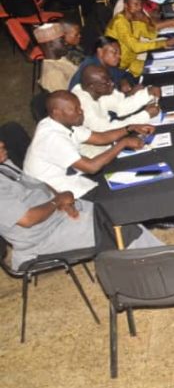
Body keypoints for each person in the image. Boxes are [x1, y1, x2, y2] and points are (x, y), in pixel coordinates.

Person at [0, 140, 162, 272]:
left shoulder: (4, 165)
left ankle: (164, 257)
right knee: (118, 227)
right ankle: (162, 267)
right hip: (42, 240)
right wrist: (57, 202)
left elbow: (39, 184)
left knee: (116, 209)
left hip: (58, 216)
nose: (2, 144)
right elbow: (27, 219)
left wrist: (62, 201)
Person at [24, 92, 149, 198]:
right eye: (75, 109)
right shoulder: (52, 138)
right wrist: (123, 143)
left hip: (73, 179)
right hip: (59, 194)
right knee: (131, 191)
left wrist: (130, 128)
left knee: (133, 172)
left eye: (79, 107)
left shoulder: (61, 122)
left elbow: (101, 138)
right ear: (57, 113)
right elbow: (91, 167)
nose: (81, 111)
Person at [71, 65, 160, 148]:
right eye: (106, 82)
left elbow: (121, 106)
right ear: (92, 86)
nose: (112, 83)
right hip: (91, 149)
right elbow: (106, 133)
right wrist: (144, 116)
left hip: (107, 138)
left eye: (110, 79)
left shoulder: (96, 89)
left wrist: (148, 93)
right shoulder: (82, 105)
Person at [105, 0, 174, 77]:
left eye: (140, 4)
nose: (139, 8)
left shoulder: (134, 18)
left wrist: (146, 20)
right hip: (120, 68)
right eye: (135, 4)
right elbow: (135, 47)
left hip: (133, 62)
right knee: (165, 74)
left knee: (172, 65)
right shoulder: (119, 22)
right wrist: (163, 43)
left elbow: (151, 34)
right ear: (126, 5)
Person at [68, 36, 137, 92]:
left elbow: (125, 74)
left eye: (119, 53)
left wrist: (123, 80)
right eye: (114, 52)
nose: (119, 56)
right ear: (100, 52)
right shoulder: (90, 69)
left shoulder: (108, 65)